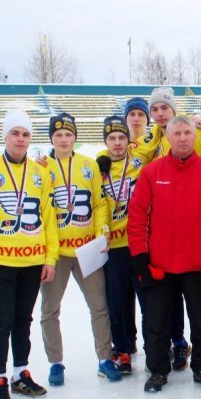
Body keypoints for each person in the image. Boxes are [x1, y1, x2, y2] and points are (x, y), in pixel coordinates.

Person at [127, 115, 201, 393]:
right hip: (160, 264)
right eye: (177, 133)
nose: (183, 137)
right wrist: (140, 256)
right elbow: (137, 217)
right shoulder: (152, 172)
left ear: (195, 136)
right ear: (168, 137)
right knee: (157, 321)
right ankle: (158, 369)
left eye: (188, 132)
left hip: (197, 264)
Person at [0, 109, 59, 399]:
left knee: (24, 320)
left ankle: (20, 373)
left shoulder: (40, 173)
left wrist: (50, 257)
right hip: (0, 261)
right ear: (5, 137)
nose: (20, 140)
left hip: (33, 260)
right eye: (15, 133)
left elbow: (49, 219)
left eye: (25, 134)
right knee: (2, 322)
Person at [39, 113, 118, 385]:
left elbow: (99, 204)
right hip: (56, 252)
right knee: (50, 309)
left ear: (75, 137)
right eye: (58, 135)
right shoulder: (39, 166)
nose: (63, 139)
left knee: (99, 306)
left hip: (86, 250)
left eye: (68, 134)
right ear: (51, 137)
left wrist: (101, 233)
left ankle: (105, 358)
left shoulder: (88, 165)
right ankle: (56, 362)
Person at [97, 115, 148, 374]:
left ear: (129, 140)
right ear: (105, 141)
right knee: (116, 301)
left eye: (121, 138)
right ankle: (124, 349)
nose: (117, 143)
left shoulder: (141, 161)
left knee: (147, 297)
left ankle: (155, 345)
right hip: (112, 247)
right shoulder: (97, 166)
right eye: (111, 138)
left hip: (139, 243)